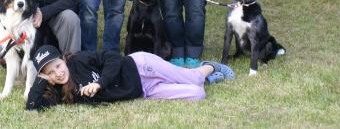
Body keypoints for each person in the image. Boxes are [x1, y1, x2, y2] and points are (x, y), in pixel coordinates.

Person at [26, 44, 235, 111]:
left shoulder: (78, 61)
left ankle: (207, 68)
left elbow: (113, 58)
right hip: (144, 91)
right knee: (197, 94)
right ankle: (210, 78)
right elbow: (32, 106)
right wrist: (42, 79)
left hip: (141, 66)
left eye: (58, 66)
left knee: (194, 80)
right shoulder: (60, 92)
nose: (59, 73)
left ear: (63, 59)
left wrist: (100, 83)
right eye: (51, 72)